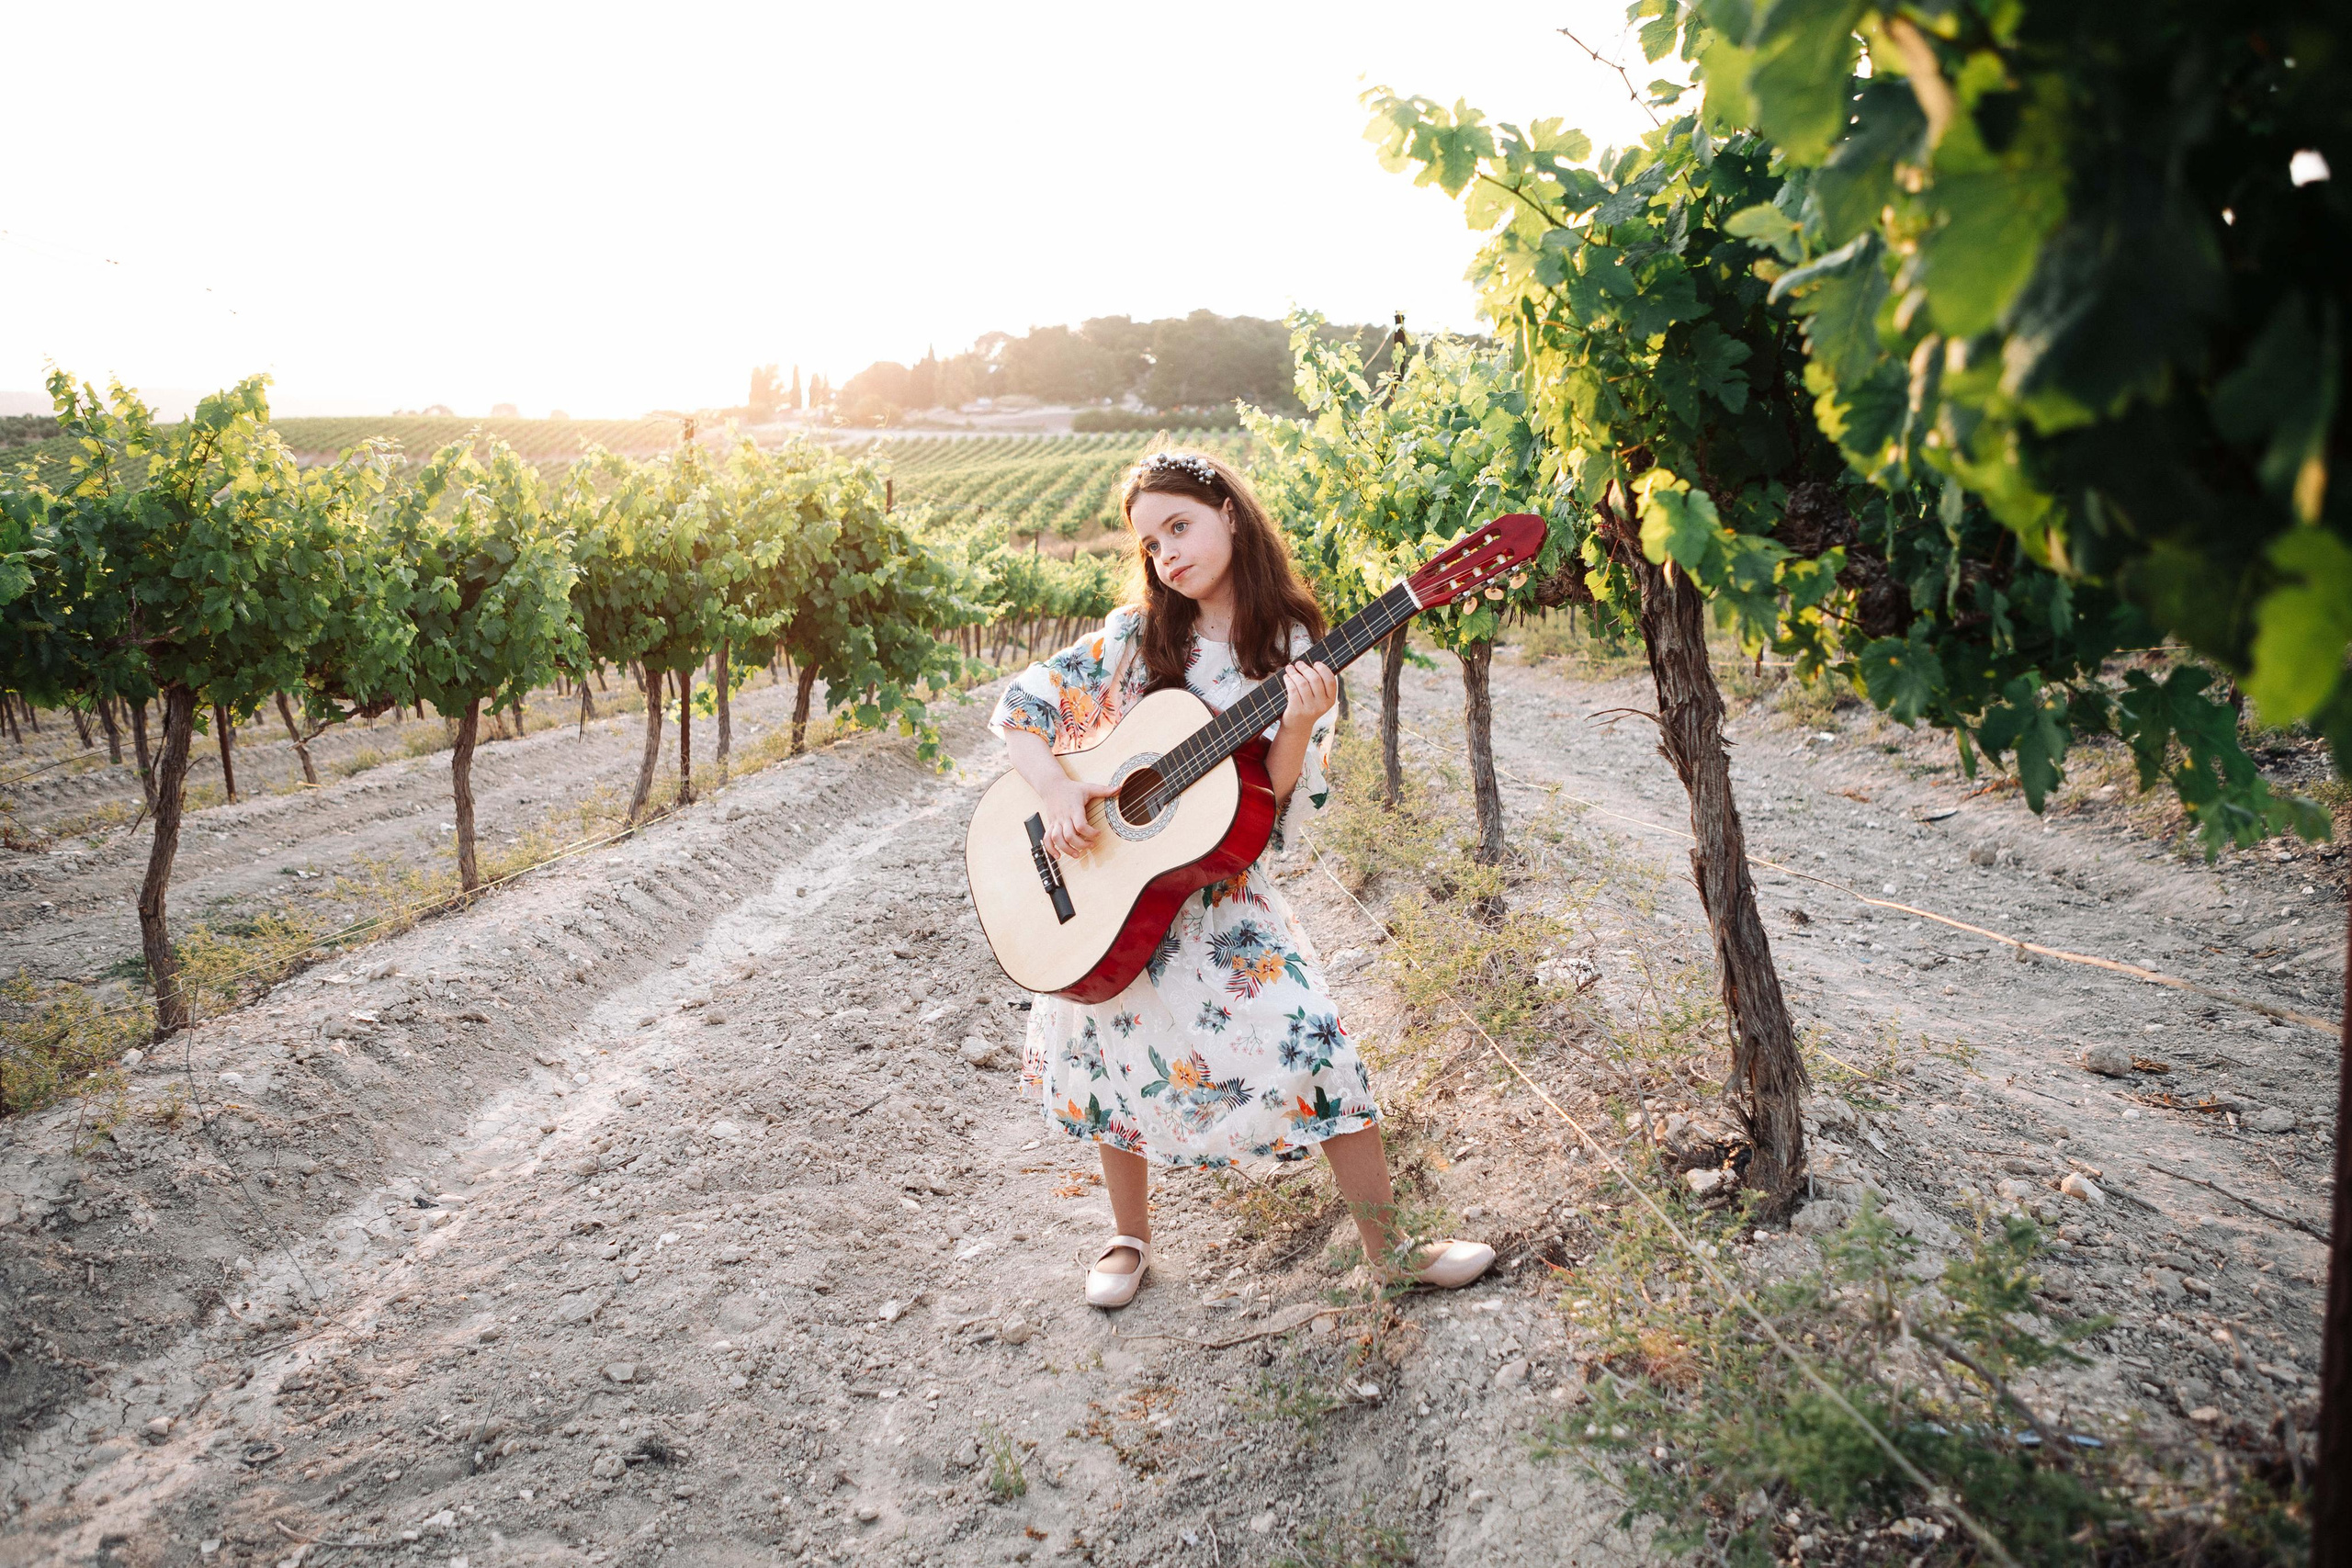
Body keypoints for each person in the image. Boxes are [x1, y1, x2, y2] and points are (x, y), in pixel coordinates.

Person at [987, 448, 1494, 1309]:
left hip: (1218, 896)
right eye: (1150, 543)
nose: (1166, 555)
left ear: (1228, 510)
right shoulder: (1131, 637)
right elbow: (1022, 708)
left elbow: (1275, 805)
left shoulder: (1293, 648)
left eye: (1178, 526)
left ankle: (1390, 1246)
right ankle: (1129, 1235)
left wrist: (1297, 726)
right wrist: (1058, 786)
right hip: (1109, 887)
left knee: (1317, 1040)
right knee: (1109, 1048)